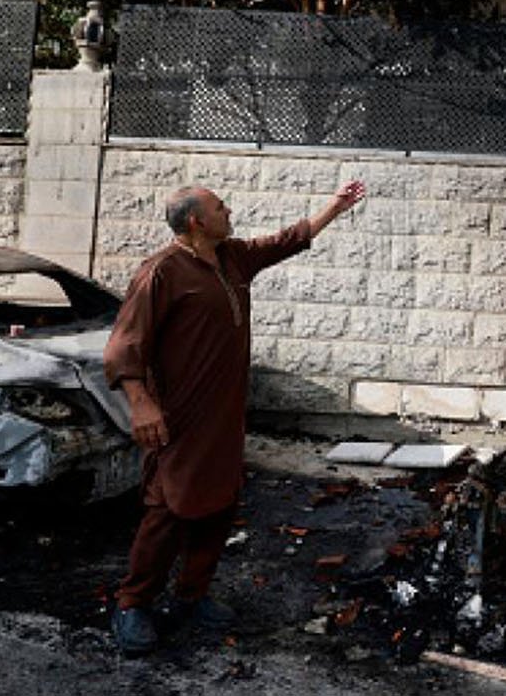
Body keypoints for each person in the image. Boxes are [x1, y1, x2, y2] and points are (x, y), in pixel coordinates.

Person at [104, 180, 365, 656]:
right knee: (168, 509)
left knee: (220, 504)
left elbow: (285, 240)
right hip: (178, 418)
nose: (230, 210)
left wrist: (334, 207)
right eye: (221, 206)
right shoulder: (160, 273)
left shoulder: (231, 259)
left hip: (224, 416)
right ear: (197, 221)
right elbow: (124, 345)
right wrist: (140, 402)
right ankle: (132, 603)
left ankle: (191, 595)